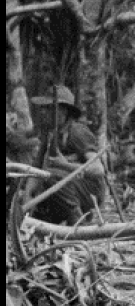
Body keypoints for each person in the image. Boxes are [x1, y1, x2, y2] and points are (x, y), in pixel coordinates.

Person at [28, 85, 107, 225]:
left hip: (89, 191)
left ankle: (78, 222)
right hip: (65, 187)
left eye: (49, 108)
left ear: (63, 111)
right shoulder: (50, 133)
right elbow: (36, 168)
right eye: (44, 108)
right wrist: (27, 197)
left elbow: (98, 170)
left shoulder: (77, 132)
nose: (43, 112)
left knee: (52, 177)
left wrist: (64, 164)